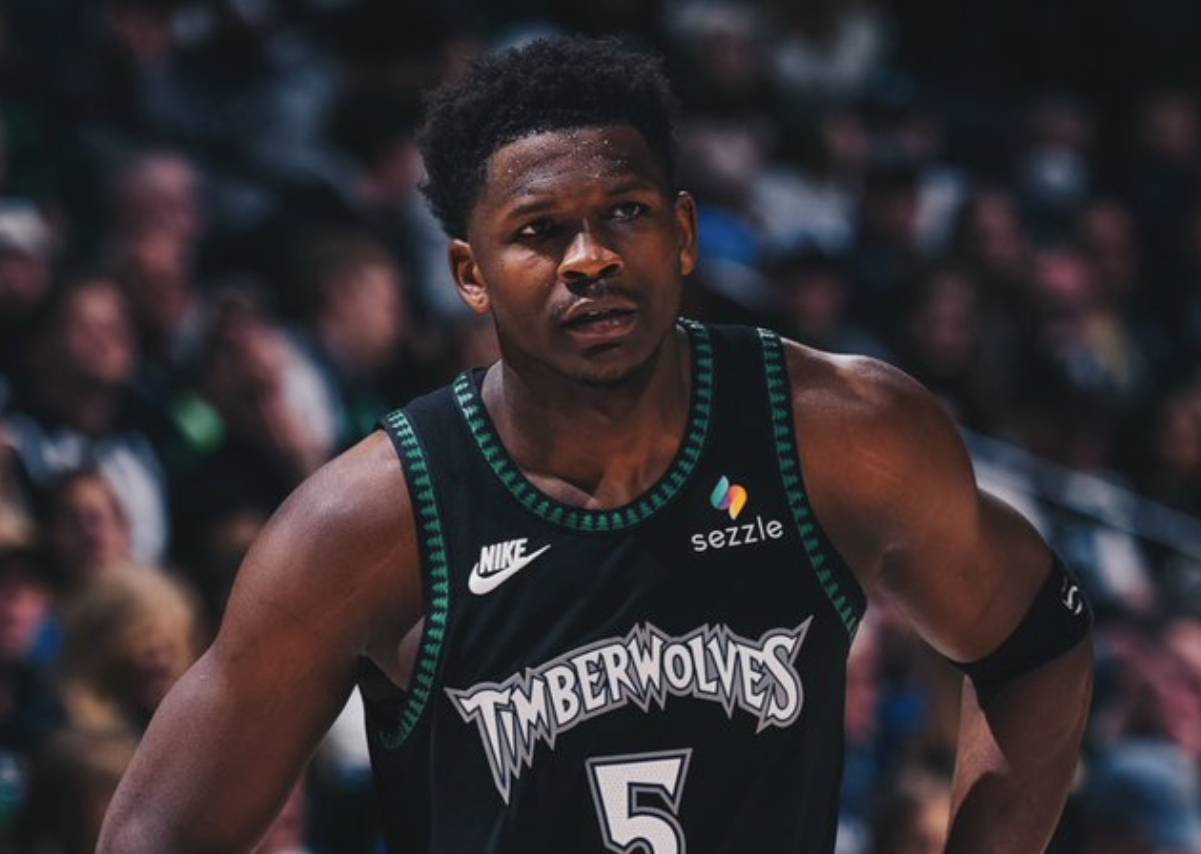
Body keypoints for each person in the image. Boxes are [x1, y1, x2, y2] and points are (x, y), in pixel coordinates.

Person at [96, 35, 1094, 853]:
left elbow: (1038, 646)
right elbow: (153, 836)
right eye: (538, 230)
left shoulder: (838, 432)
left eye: (625, 212)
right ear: (470, 273)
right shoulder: (369, 521)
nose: (591, 257)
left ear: (684, 231)